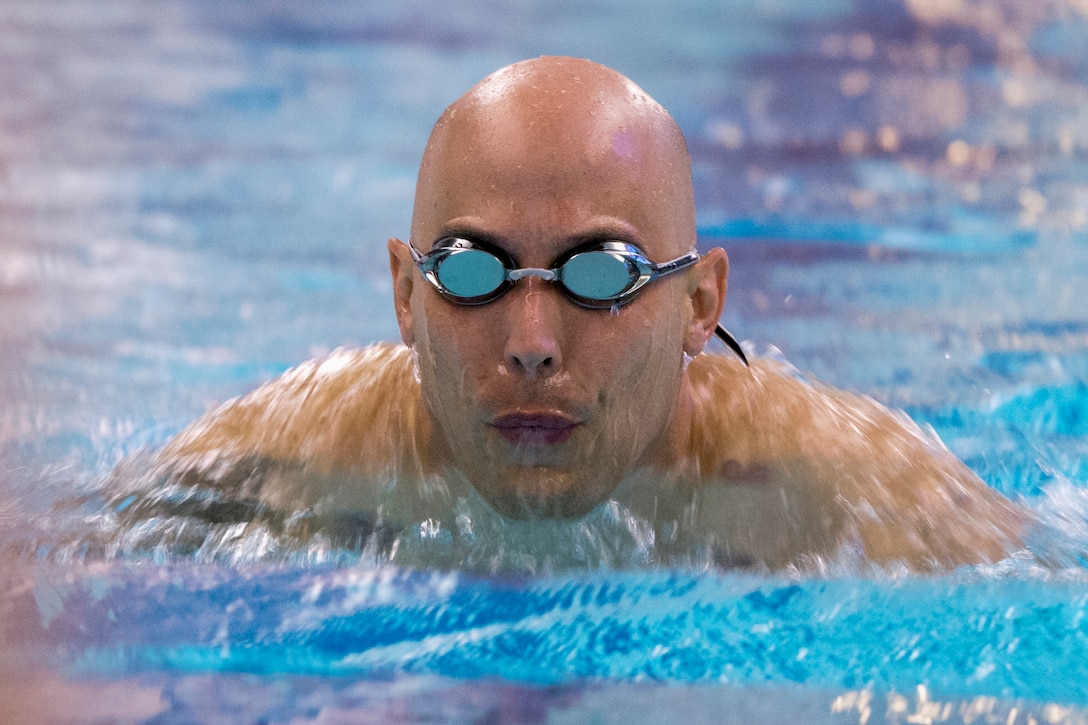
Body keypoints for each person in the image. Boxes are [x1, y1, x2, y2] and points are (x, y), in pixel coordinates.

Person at [152, 56, 1023, 571]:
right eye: (472, 272)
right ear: (406, 296)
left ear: (700, 303)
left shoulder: (844, 488)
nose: (531, 343)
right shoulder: (286, 460)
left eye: (601, 275)